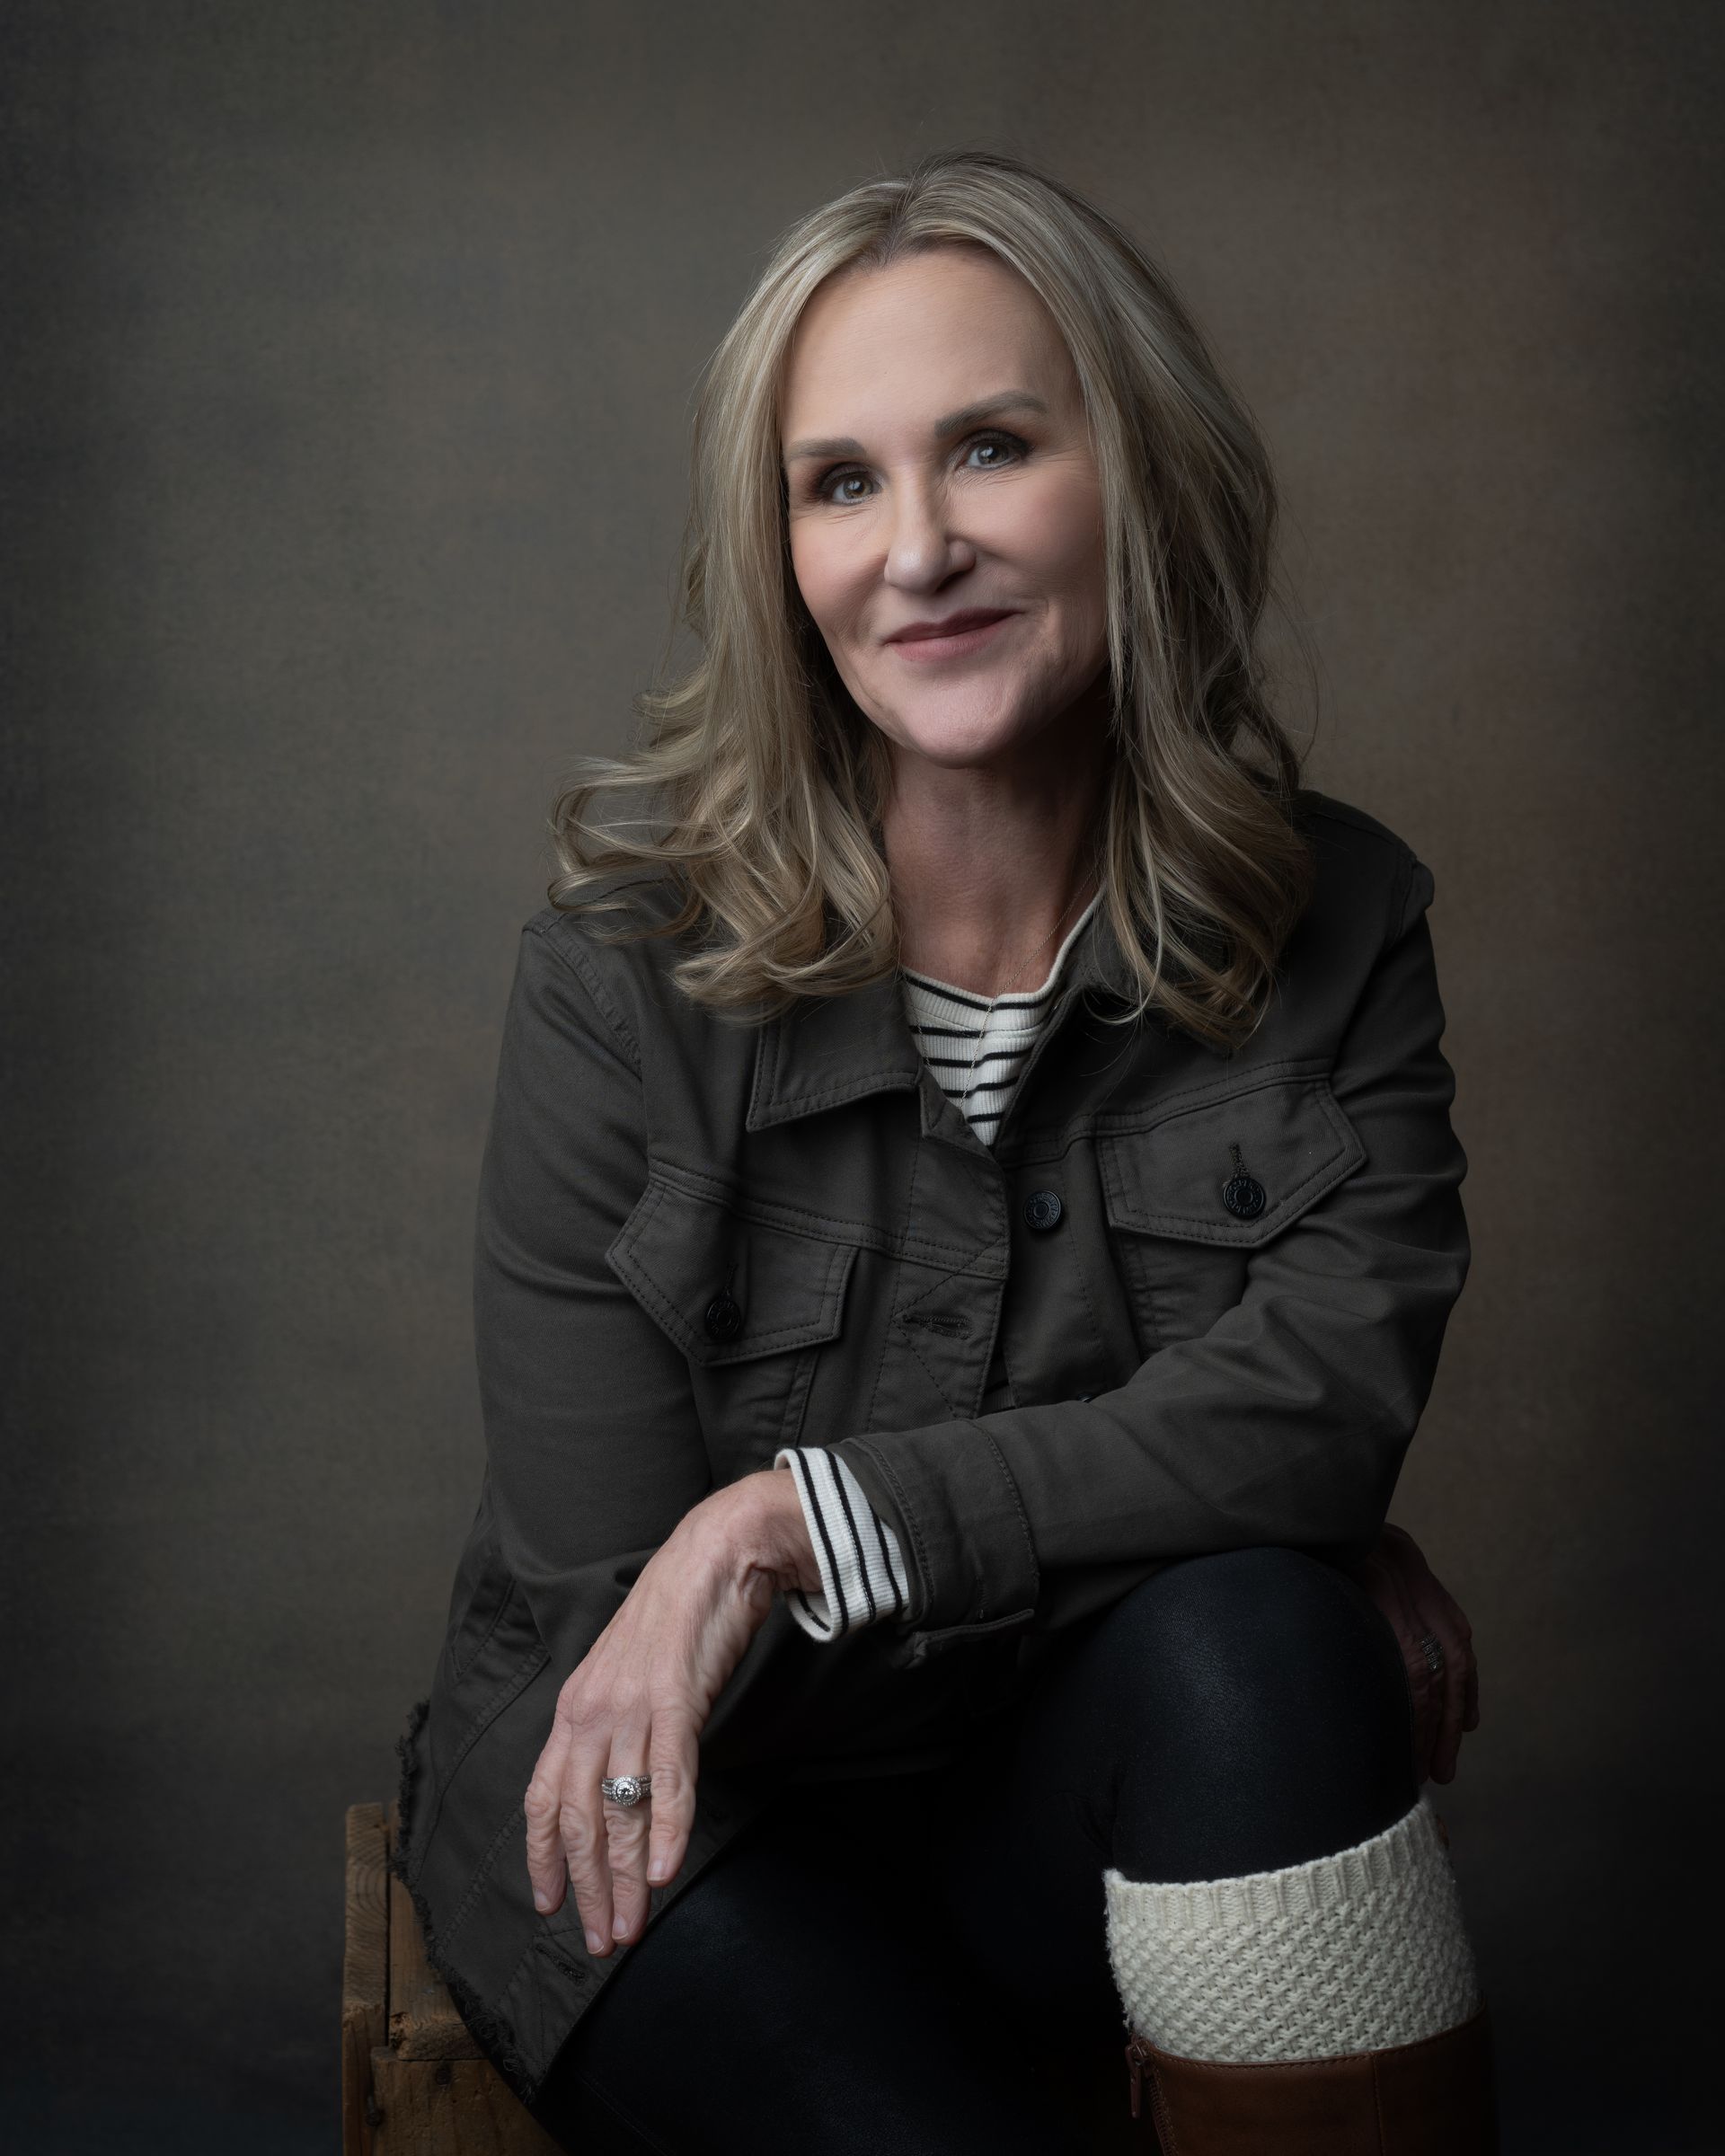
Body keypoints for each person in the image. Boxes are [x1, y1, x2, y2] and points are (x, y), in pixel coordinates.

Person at [388, 148, 1496, 2153]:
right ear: (781, 555)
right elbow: (620, 1595)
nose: (917, 550)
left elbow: (1326, 1400)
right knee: (1266, 1589)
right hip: (674, 1842)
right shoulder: (617, 980)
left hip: (1045, 1808)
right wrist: (1219, 1504)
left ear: (1132, 477)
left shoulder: (1342, 924)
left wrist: (793, 1519)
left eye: (990, 448)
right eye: (840, 483)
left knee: (1264, 1640)